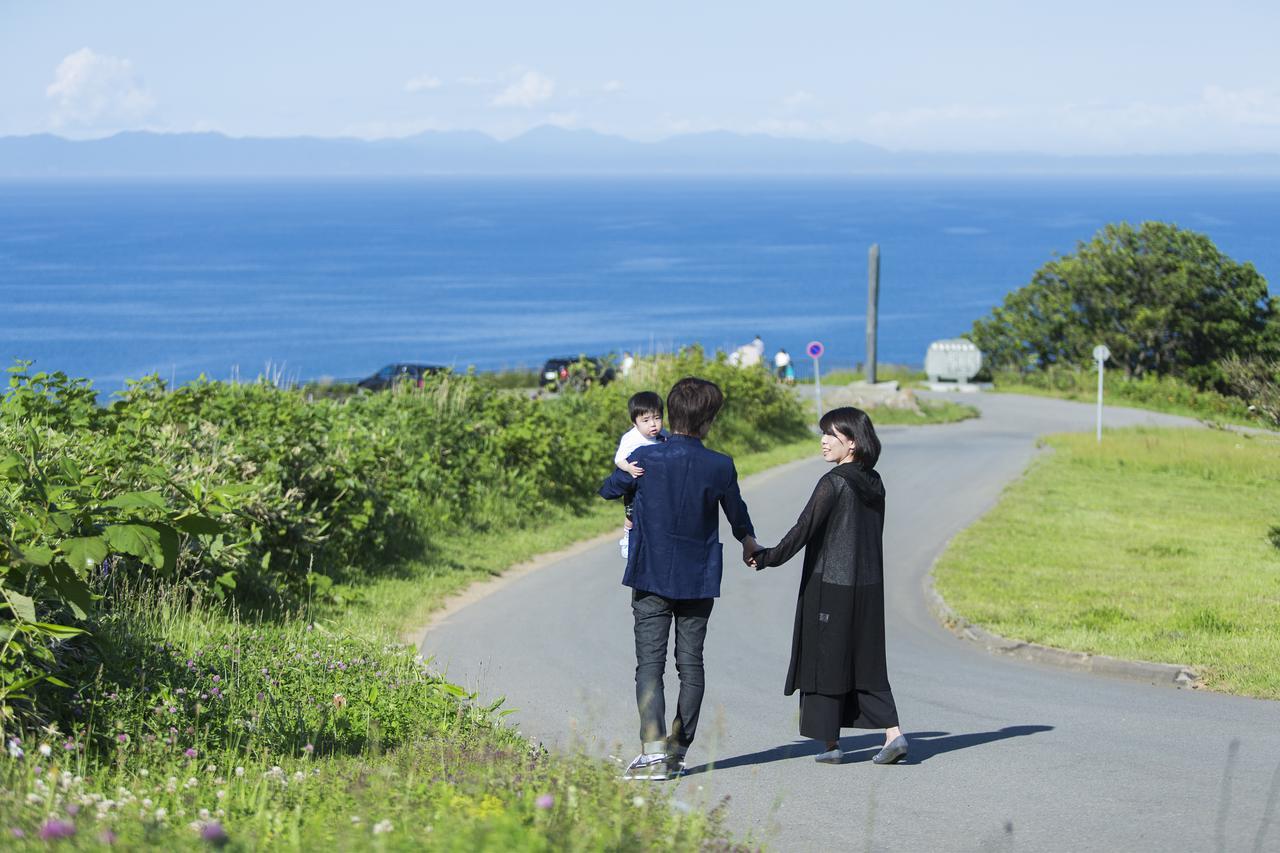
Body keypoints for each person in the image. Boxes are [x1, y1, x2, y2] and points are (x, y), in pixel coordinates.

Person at [600, 377, 758, 781]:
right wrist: (748, 541)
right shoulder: (720, 464)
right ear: (708, 420)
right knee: (691, 665)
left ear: (670, 413)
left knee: (649, 666)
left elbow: (608, 489)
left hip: (651, 576)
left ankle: (653, 753)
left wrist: (622, 475)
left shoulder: (644, 458)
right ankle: (678, 748)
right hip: (698, 578)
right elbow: (736, 512)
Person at [748, 406, 908, 766]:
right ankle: (890, 734)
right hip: (868, 587)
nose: (822, 442)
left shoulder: (833, 482)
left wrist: (767, 556)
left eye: (831, 436)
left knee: (824, 661)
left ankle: (832, 744)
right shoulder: (874, 481)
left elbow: (804, 530)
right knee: (866, 661)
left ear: (851, 443)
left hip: (831, 586)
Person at [613, 391, 667, 559]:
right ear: (634, 423)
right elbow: (618, 459)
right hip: (636, 486)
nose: (653, 424)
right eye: (646, 420)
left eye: (657, 418)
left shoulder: (664, 435)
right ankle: (627, 537)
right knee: (632, 514)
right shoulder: (631, 438)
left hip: (656, 485)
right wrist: (629, 468)